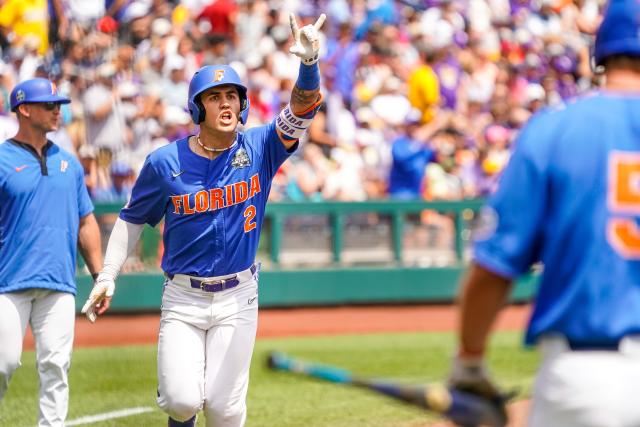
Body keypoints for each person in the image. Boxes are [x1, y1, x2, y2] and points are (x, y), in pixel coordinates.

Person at [81, 12, 327, 427]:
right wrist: (107, 273)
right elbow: (131, 218)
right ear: (198, 106)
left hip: (238, 295)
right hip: (184, 296)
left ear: (243, 103)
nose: (226, 103)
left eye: (232, 95)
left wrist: (308, 64)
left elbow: (302, 109)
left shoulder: (261, 145)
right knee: (180, 401)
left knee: (224, 410)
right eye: (215, 97)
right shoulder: (164, 162)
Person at [446, 1, 640, 426]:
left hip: (589, 381)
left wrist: (469, 365)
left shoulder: (558, 128)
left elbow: (493, 269)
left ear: (601, 50)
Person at [0, 78, 103, 426]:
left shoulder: (69, 164)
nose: (58, 110)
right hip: (7, 282)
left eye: (59, 104)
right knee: (4, 363)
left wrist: (99, 275)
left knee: (56, 367)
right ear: (24, 109)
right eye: (49, 105)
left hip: (59, 282)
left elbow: (86, 222)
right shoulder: (1, 159)